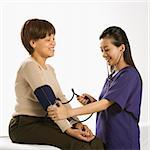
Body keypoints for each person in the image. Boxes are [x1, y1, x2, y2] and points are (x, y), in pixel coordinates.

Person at [8, 18, 104, 150]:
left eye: (53, 38)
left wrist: (76, 123)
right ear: (33, 43)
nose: (53, 43)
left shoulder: (50, 70)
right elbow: (48, 101)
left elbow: (61, 100)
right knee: (78, 146)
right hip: (24, 125)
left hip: (45, 121)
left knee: (95, 142)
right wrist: (68, 130)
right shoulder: (29, 65)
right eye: (48, 39)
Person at [48, 26, 143, 150]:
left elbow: (105, 104)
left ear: (122, 48)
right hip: (106, 140)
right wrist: (93, 103)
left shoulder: (129, 75)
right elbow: (111, 106)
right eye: (102, 50)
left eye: (107, 49)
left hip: (122, 142)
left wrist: (67, 113)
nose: (103, 55)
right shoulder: (113, 76)